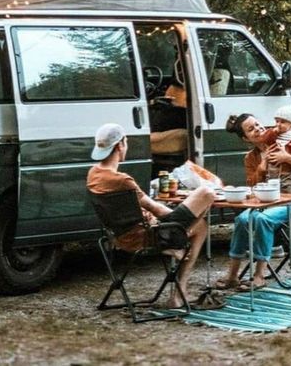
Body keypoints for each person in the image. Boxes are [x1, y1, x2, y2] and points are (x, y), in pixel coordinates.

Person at [87, 122, 214, 307]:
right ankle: (176, 253)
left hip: (118, 236)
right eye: (126, 142)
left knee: (201, 226)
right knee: (206, 193)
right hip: (147, 236)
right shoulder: (122, 181)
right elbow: (159, 210)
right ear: (120, 145)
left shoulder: (93, 174)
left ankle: (180, 291)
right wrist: (185, 213)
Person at [215, 113, 291, 291]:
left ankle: (259, 276)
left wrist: (289, 158)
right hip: (264, 202)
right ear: (245, 139)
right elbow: (252, 187)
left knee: (262, 220)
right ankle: (232, 276)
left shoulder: (287, 142)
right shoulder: (250, 158)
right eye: (251, 129)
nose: (258, 129)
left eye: (258, 124)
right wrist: (261, 168)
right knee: (242, 220)